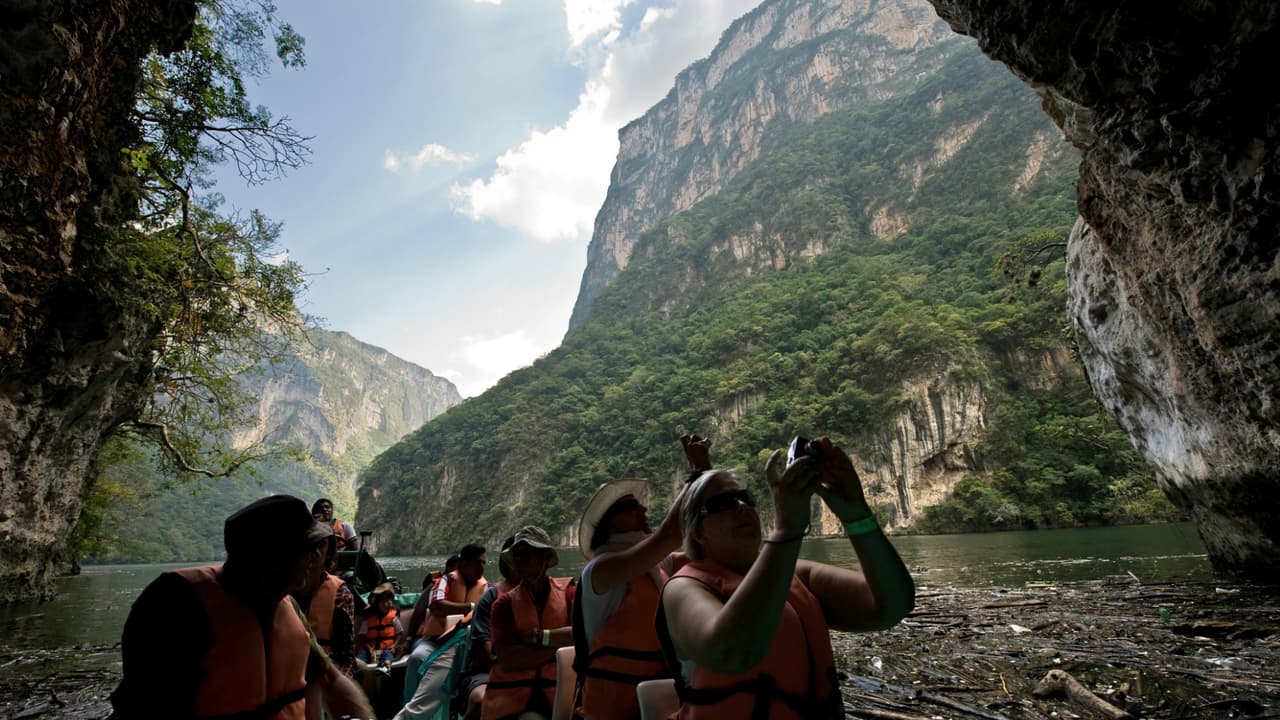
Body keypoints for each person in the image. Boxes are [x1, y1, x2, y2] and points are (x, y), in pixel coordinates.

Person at [658, 438, 916, 719]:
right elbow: (732, 653)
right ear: (697, 532)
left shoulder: (798, 575)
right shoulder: (683, 588)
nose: (742, 506)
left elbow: (891, 607)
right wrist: (786, 531)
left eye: (746, 498)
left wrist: (856, 514)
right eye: (722, 503)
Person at [109, 494, 374, 720]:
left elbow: (330, 679)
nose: (315, 558)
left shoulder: (286, 604)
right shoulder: (177, 605)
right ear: (274, 558)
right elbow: (143, 706)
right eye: (307, 549)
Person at [573, 434, 709, 719]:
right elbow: (671, 535)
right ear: (607, 523)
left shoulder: (658, 564)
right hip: (611, 710)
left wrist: (708, 479)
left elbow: (706, 551)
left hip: (662, 698)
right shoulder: (601, 570)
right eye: (630, 507)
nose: (644, 509)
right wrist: (697, 476)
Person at [481, 526, 575, 720]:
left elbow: (583, 635)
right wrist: (560, 645)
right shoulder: (503, 604)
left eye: (528, 554)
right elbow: (509, 660)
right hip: (513, 700)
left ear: (545, 559)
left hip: (563, 693)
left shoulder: (569, 594)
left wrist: (538, 638)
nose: (520, 560)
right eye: (517, 555)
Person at [396, 544, 489, 720]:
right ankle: (412, 705)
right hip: (435, 641)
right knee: (417, 658)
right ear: (464, 563)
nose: (482, 567)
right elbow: (437, 606)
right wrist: (472, 607)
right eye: (478, 563)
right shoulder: (445, 581)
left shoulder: (486, 588)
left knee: (459, 665)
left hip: (463, 644)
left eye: (483, 563)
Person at [460, 536, 518, 720]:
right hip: (486, 671)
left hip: (531, 669)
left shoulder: (545, 595)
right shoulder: (490, 598)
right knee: (480, 701)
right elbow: (486, 647)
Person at [295, 534, 358, 677]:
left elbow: (346, 659)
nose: (312, 552)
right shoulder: (282, 593)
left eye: (319, 546)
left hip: (324, 675)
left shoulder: (341, 594)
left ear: (328, 556)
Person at [357, 582, 403, 666]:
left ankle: (386, 668)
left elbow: (399, 633)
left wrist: (394, 645)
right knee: (361, 656)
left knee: (388, 656)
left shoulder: (393, 617)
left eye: (390, 601)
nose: (389, 604)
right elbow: (362, 637)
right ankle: (358, 671)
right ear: (377, 603)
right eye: (385, 601)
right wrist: (369, 649)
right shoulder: (368, 618)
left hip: (387, 648)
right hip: (369, 649)